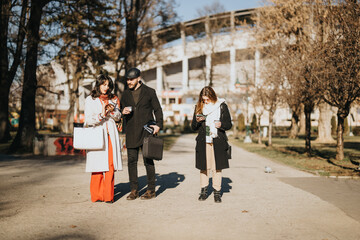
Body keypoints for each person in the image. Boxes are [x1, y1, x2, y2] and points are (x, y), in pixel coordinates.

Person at [120, 67, 163, 200]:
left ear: (139, 78)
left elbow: (157, 109)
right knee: (131, 162)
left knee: (148, 161)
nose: (129, 82)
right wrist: (123, 111)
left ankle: (151, 190)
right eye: (127, 80)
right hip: (132, 132)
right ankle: (134, 190)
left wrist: (158, 125)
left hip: (146, 131)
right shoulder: (125, 94)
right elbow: (121, 109)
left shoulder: (149, 92)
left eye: (131, 79)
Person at [84, 73, 122, 203]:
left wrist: (112, 111)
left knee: (110, 165)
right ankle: (97, 195)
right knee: (97, 166)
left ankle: (108, 196)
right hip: (96, 132)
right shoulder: (90, 99)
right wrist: (101, 115)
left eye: (107, 85)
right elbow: (88, 119)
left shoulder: (114, 98)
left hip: (110, 134)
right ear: (98, 84)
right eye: (103, 84)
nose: (105, 88)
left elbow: (118, 117)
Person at [191, 86, 232, 203]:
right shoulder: (199, 107)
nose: (205, 101)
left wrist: (221, 124)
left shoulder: (221, 105)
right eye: (203, 99)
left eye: (207, 99)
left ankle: (217, 192)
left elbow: (229, 124)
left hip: (217, 139)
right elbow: (193, 127)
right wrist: (197, 121)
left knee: (217, 167)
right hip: (203, 140)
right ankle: (203, 191)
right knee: (203, 166)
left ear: (212, 97)